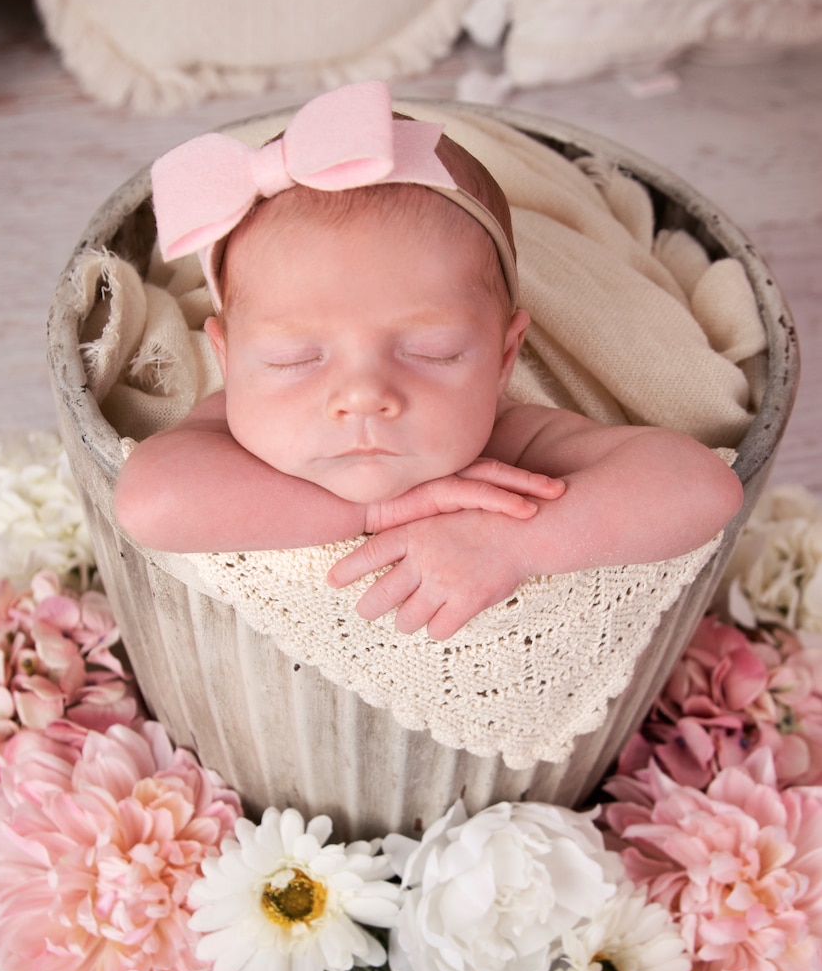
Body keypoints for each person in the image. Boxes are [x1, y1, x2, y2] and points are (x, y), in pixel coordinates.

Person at [114, 81, 744, 641]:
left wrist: (517, 539)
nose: (362, 395)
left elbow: (701, 487)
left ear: (503, 358)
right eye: (294, 358)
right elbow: (150, 503)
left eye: (431, 351)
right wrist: (373, 515)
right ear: (228, 358)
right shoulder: (229, 429)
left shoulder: (509, 444)